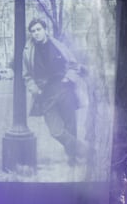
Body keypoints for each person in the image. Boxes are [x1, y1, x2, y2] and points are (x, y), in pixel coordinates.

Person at [22, 18, 90, 166]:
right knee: (56, 131)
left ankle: (72, 159)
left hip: (64, 89)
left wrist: (68, 79)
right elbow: (26, 76)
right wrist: (35, 89)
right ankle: (85, 150)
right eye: (33, 31)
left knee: (70, 125)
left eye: (39, 29)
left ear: (45, 30)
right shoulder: (28, 51)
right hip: (45, 94)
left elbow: (73, 65)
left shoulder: (58, 46)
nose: (36, 33)